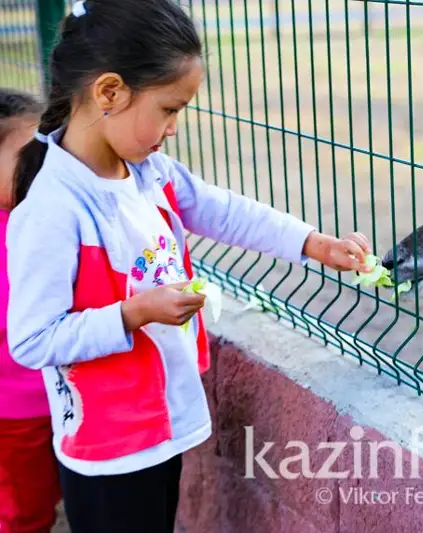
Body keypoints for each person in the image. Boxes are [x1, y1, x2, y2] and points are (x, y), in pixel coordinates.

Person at [6, 1, 373, 532]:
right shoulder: (54, 209)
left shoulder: (148, 169)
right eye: (170, 109)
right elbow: (34, 340)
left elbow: (223, 210)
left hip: (160, 427)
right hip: (108, 450)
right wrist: (133, 314)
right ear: (109, 92)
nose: (174, 128)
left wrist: (313, 243)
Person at [0, 89, 62, 533]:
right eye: (27, 155)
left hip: (58, 402)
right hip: (16, 415)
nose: (41, 168)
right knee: (26, 513)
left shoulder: (40, 217)